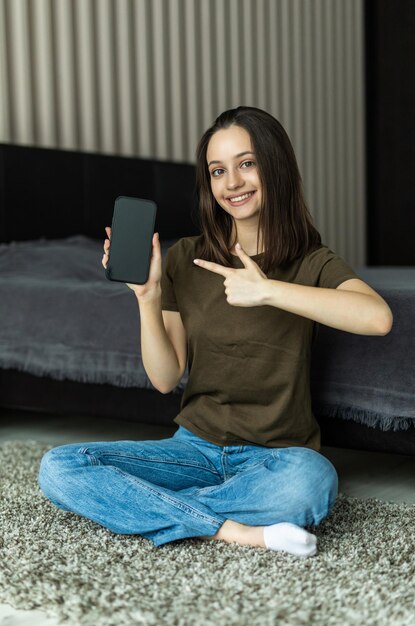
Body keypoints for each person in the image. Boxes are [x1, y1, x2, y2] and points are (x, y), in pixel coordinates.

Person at [38, 106, 393, 558]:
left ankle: (154, 512)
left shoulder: (310, 260)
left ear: (274, 166)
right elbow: (166, 378)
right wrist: (146, 297)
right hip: (194, 450)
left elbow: (377, 317)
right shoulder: (185, 258)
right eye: (218, 171)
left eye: (247, 164)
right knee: (60, 467)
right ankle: (236, 531)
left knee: (313, 484)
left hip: (278, 456)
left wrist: (268, 291)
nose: (232, 183)